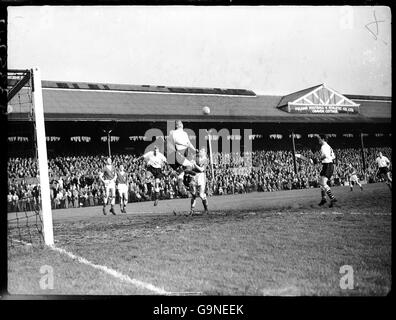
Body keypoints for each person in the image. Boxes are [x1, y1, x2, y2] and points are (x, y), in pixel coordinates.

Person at [167, 120, 197, 196]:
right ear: (176, 126)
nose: (180, 125)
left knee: (184, 170)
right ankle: (186, 183)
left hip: (184, 151)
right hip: (178, 152)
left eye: (181, 123)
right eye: (179, 124)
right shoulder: (173, 132)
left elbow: (188, 143)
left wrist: (194, 149)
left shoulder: (185, 133)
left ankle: (183, 186)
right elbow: (172, 142)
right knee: (189, 166)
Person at [317, 135, 338, 208]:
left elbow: (325, 156)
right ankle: (324, 199)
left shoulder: (323, 146)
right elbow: (333, 157)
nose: (318, 140)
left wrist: (317, 160)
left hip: (328, 166)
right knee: (320, 182)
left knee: (323, 183)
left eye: (319, 138)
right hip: (328, 165)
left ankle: (332, 198)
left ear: (322, 139)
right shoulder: (328, 146)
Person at [188, 147, 210, 215]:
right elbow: (191, 165)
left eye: (202, 150)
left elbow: (201, 169)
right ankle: (192, 210)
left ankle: (206, 209)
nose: (200, 151)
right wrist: (191, 164)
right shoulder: (195, 157)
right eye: (200, 150)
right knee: (193, 195)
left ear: (205, 152)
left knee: (201, 195)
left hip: (201, 176)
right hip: (194, 176)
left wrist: (194, 164)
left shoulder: (206, 160)